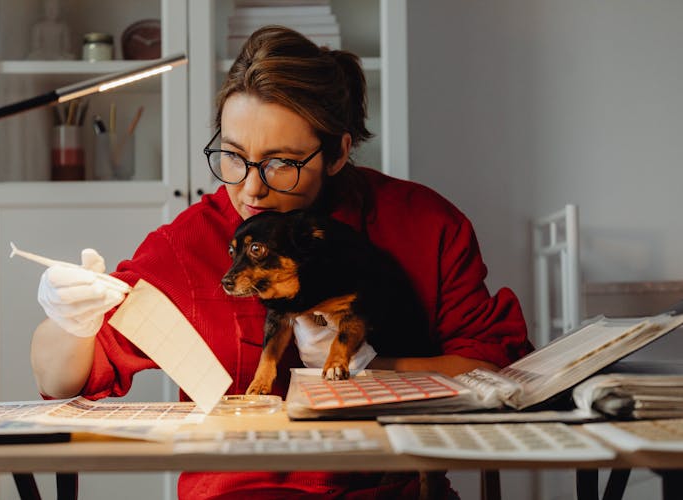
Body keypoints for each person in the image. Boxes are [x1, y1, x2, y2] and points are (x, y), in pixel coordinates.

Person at [31, 26, 532, 500]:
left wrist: (372, 371)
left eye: (281, 163)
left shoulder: (423, 224)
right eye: (232, 155)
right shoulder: (188, 244)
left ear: (336, 152)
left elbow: (491, 373)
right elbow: (59, 381)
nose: (251, 188)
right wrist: (69, 317)